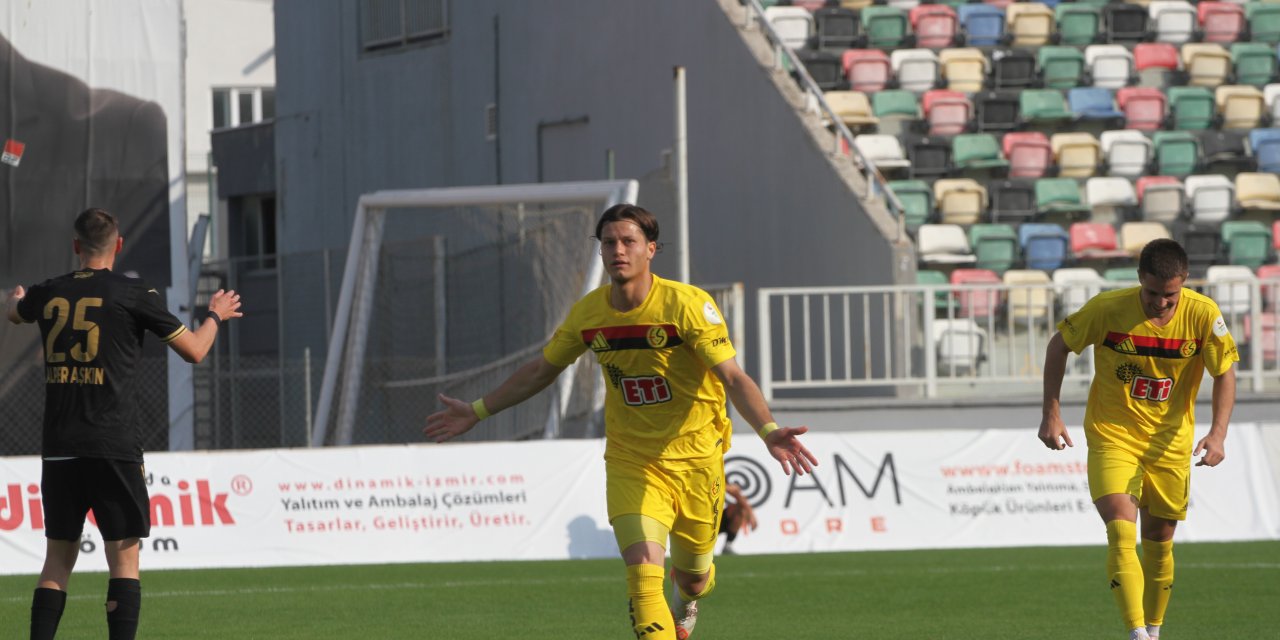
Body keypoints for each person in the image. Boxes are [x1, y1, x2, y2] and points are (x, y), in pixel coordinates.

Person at [426, 204, 818, 640]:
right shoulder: (589, 314)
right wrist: (478, 410)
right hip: (633, 461)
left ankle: (687, 597)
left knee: (693, 577)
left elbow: (733, 377)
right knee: (643, 575)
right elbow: (541, 371)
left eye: (629, 241)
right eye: (609, 242)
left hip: (696, 460)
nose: (618, 250)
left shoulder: (687, 306)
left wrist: (767, 430)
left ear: (651, 249)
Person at [5, 208, 242, 640]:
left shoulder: (49, 291)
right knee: (124, 562)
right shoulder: (134, 293)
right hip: (113, 444)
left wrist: (15, 301)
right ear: (118, 245)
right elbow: (194, 351)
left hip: (60, 446)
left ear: (76, 246)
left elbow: (16, 312)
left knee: (57, 560)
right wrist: (216, 316)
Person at [1039, 239, 1237, 640]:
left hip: (1170, 444)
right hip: (1114, 435)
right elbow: (1059, 346)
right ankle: (1136, 634)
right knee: (1120, 530)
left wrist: (1218, 434)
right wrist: (1052, 412)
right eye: (1152, 293)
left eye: (1170, 295)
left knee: (1159, 544)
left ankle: (1154, 629)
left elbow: (1225, 372)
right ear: (1138, 280)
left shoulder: (1203, 314)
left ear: (1182, 284)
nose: (1161, 303)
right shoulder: (1107, 308)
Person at [718, 483, 757, 555]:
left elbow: (735, 492)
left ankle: (728, 545)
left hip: (716, 519)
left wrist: (751, 515)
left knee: (740, 509)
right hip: (700, 517)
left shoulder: (719, 475)